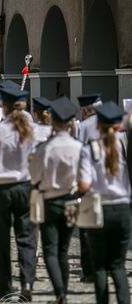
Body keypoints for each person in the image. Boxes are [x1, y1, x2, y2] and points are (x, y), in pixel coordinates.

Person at [0, 86, 37, 301]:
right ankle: (27, 284)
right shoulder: (34, 131)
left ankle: (4, 289)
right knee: (27, 239)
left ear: (3, 107)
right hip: (26, 187)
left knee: (0, 241)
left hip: (0, 188)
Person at [29, 98, 82, 304]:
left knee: (50, 249)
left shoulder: (45, 148)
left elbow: (34, 178)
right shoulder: (78, 147)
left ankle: (60, 293)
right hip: (71, 202)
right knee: (64, 249)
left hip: (50, 201)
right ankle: (64, 293)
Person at [78, 101, 131, 304]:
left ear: (97, 125)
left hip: (99, 208)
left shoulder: (89, 149)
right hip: (123, 209)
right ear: (118, 125)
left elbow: (84, 184)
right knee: (118, 265)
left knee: (99, 266)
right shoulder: (125, 144)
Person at [75, 93, 103, 283]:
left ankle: (90, 271)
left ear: (85, 111)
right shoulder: (115, 126)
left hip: (89, 183)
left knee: (87, 229)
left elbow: (78, 154)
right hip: (112, 186)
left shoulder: (83, 127)